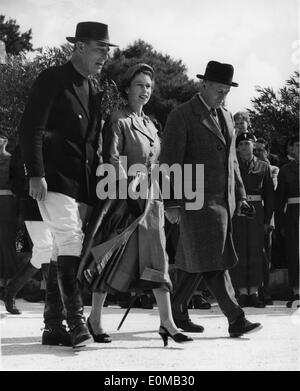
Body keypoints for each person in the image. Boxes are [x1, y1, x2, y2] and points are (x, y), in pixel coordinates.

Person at [78, 63, 192, 346]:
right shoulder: (119, 120)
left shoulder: (151, 124)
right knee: (110, 260)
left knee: (158, 260)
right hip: (125, 203)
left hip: (152, 202)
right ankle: (94, 318)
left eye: (149, 87)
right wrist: (129, 188)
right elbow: (112, 158)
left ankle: (166, 322)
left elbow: (159, 163)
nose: (145, 91)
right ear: (127, 88)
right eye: (140, 85)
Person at [18, 21, 117, 348]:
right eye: (100, 48)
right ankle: (76, 322)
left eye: (107, 49)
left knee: (62, 247)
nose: (105, 55)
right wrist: (36, 173)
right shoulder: (53, 79)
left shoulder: (92, 90)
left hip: (80, 184)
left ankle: (52, 325)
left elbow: (92, 146)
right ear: (79, 47)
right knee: (70, 239)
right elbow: (31, 128)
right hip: (53, 178)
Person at [160, 60, 262, 337]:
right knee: (214, 261)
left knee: (197, 262)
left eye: (226, 92)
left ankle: (175, 313)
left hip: (223, 203)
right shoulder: (182, 115)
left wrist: (240, 196)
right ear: (203, 84)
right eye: (219, 90)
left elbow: (231, 163)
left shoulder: (227, 117)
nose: (223, 96)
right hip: (194, 203)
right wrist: (171, 202)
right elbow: (170, 162)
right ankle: (236, 318)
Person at [230, 133, 274, 307]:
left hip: (256, 212)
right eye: (240, 144)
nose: (243, 147)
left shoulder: (263, 166)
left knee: (256, 251)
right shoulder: (232, 166)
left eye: (246, 143)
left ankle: (254, 292)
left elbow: (269, 196)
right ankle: (242, 292)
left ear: (253, 145)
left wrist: (267, 220)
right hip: (237, 212)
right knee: (239, 249)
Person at [275, 135, 299, 308]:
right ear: (292, 149)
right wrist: (280, 223)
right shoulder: (286, 170)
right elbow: (279, 200)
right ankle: (297, 291)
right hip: (293, 214)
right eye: (297, 145)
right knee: (294, 252)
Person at [0, 134, 19, 294]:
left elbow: (17, 183)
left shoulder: (11, 159)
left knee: (7, 239)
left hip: (7, 200)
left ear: (5, 142)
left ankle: (11, 277)